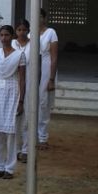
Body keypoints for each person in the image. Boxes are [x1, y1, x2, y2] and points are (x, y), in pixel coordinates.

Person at [0, 25, 25, 180]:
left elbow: (22, 78)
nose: (4, 38)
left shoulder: (19, 55)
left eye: (7, 35)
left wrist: (21, 100)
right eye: (1, 35)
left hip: (12, 92)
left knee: (10, 132)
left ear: (12, 37)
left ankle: (9, 168)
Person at [38, 9, 58, 150]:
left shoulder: (51, 32)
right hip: (33, 69)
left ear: (44, 18)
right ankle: (31, 136)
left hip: (46, 68)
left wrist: (51, 78)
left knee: (44, 103)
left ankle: (43, 137)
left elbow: (54, 56)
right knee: (32, 102)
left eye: (40, 16)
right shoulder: (29, 33)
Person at [12, 19, 31, 163]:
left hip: (29, 83)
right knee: (14, 117)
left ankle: (25, 149)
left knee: (27, 118)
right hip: (14, 83)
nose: (21, 32)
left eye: (24, 29)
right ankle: (16, 149)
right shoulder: (12, 44)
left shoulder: (34, 44)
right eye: (19, 30)